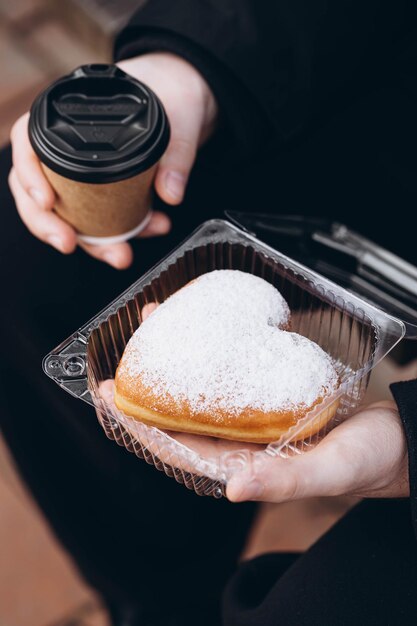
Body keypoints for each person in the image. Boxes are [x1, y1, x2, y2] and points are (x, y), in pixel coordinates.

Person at [2, 1, 417, 624]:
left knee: (314, 602)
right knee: (22, 248)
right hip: (366, 115)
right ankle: (161, 598)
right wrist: (194, 63)